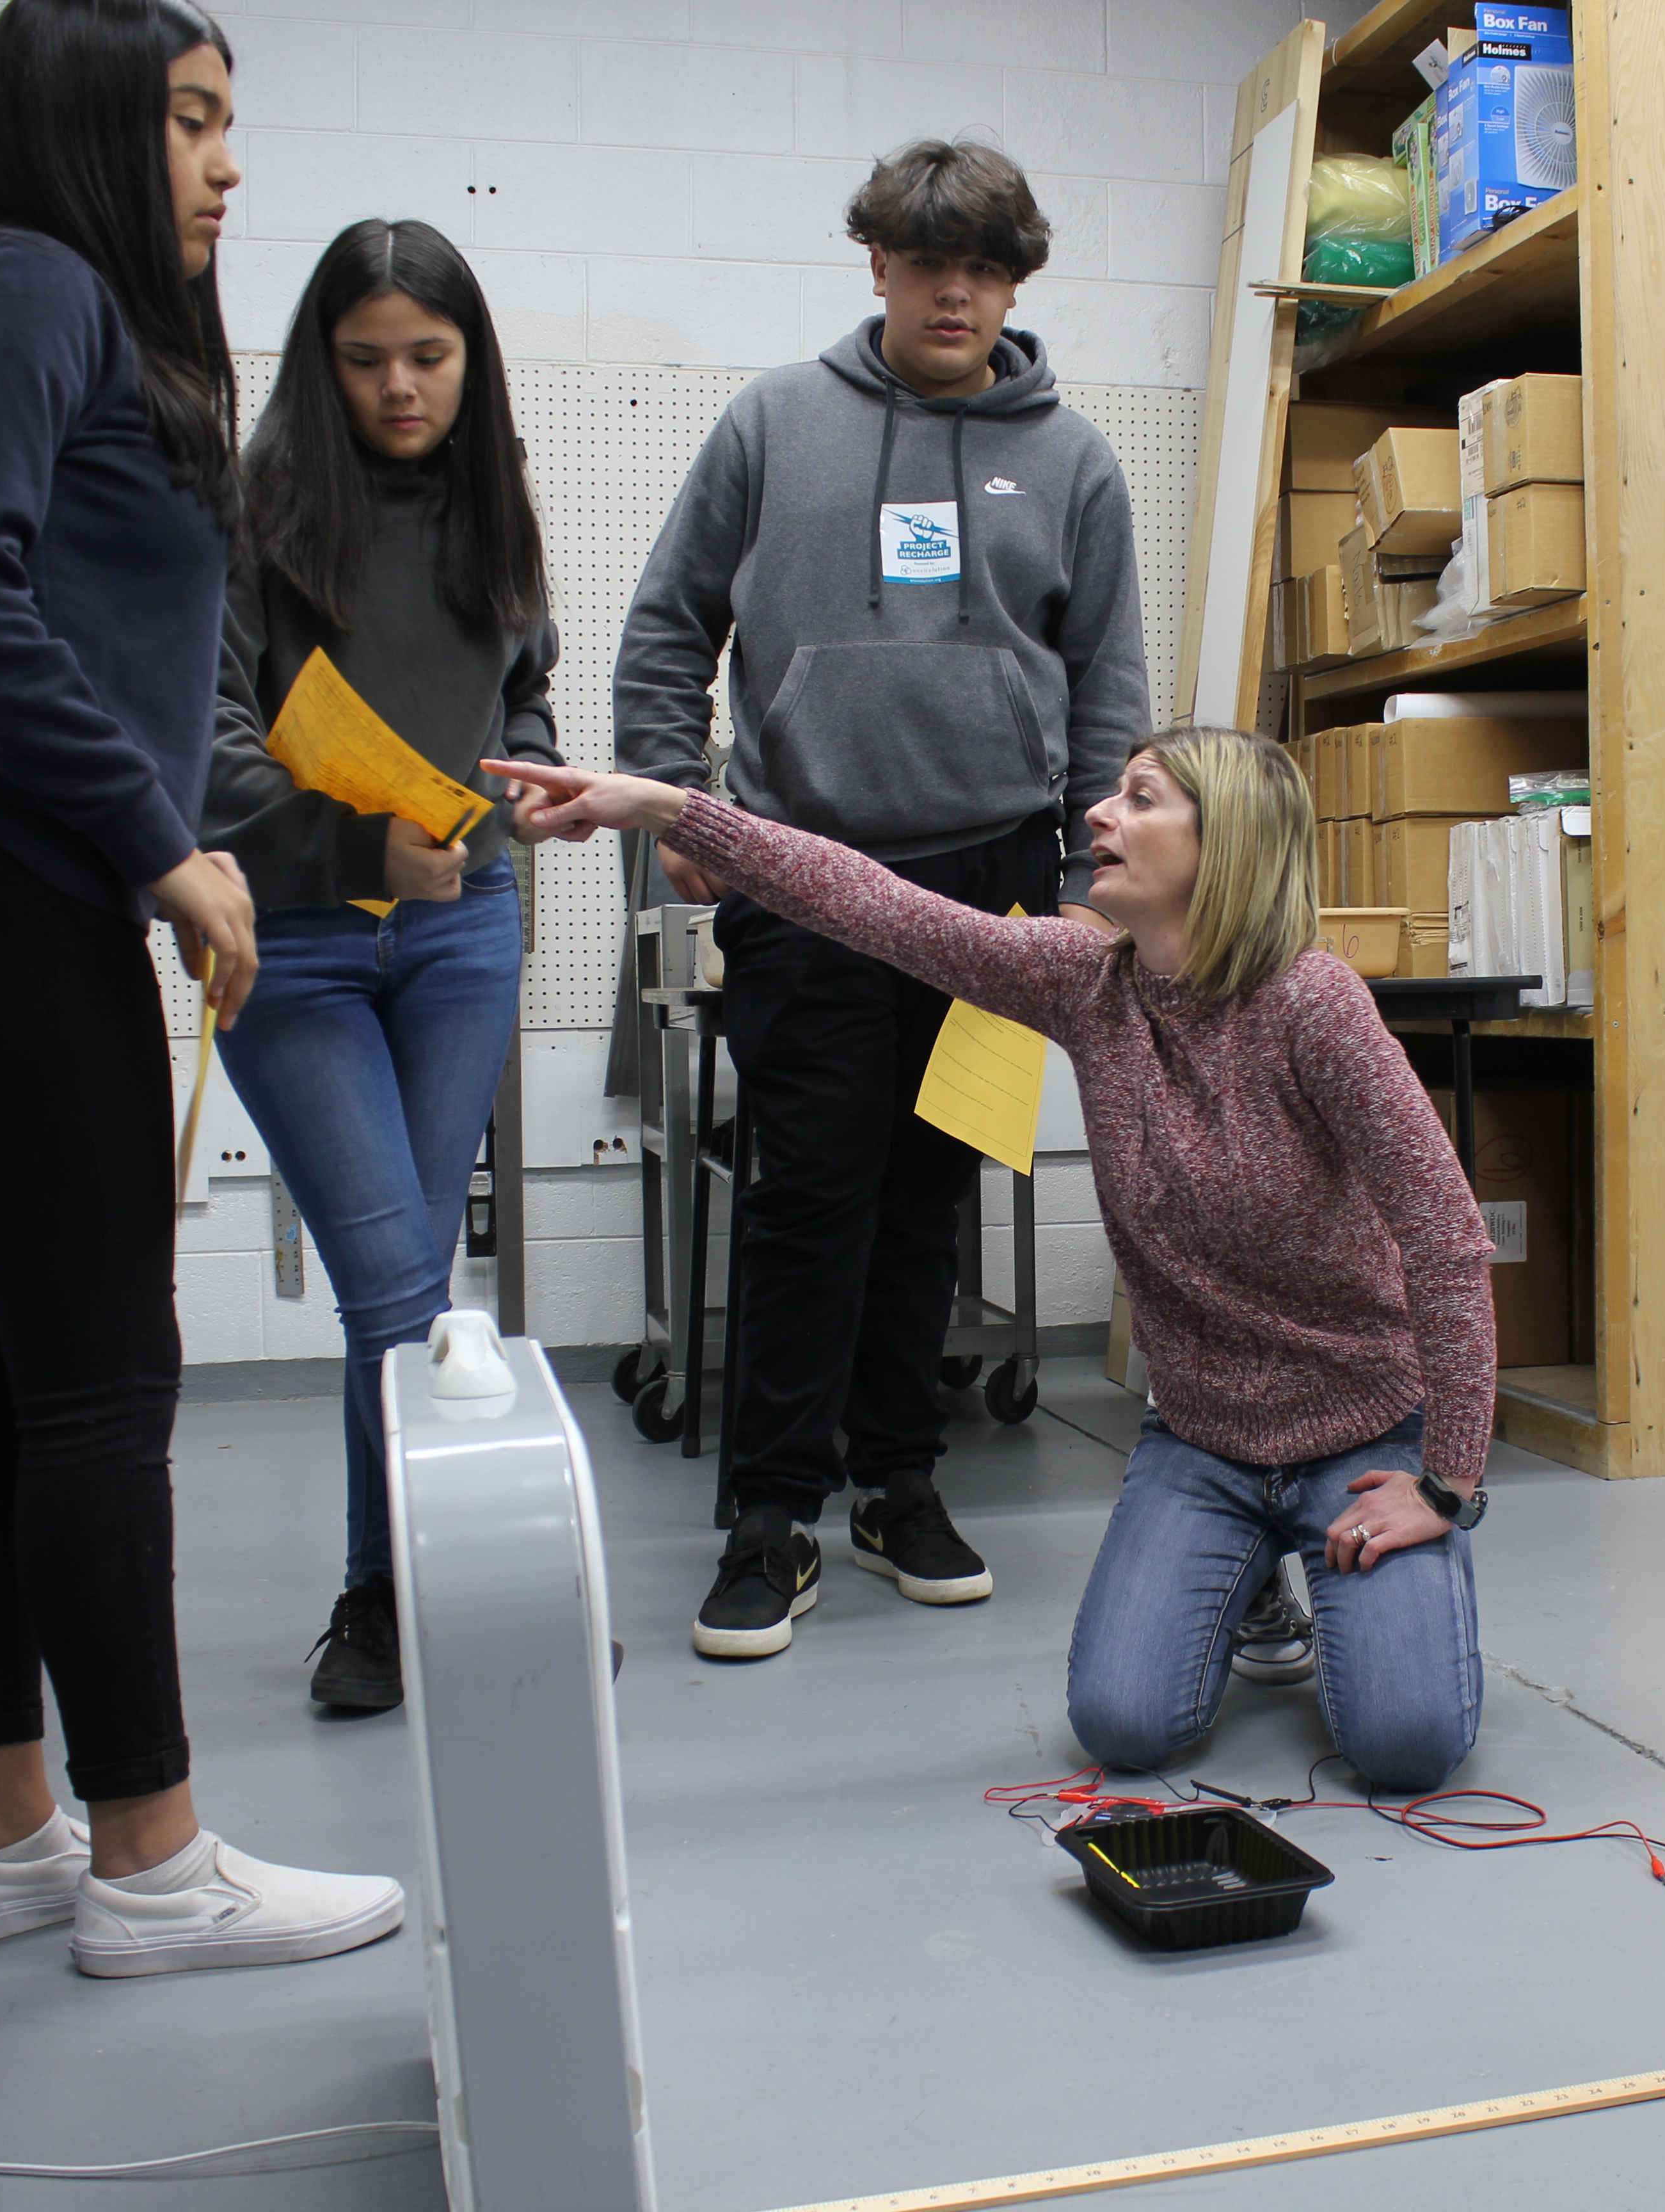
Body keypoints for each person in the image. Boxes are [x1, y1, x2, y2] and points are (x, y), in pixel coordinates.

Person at [0, 0, 401, 1975]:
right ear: (84, 123)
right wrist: (162, 846)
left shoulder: (23, 293)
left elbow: (30, 597)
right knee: (98, 1392)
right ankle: (153, 1860)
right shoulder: (34, 283)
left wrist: (150, 839)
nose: (229, 165)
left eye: (234, 123)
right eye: (195, 123)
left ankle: (2, 1836)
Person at [492, 730, 1496, 1790]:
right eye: (1111, 795)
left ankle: (1388, 1575)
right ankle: (1251, 1573)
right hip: (1203, 1443)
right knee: (1121, 1725)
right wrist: (666, 812)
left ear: (1230, 843)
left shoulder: (1316, 1005)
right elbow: (870, 903)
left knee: (1404, 1746)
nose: (1099, 817)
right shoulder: (1087, 986)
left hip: (1363, 1432)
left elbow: (1445, 1239)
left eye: (1140, 799)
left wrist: (1451, 1482)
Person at [612, 138, 1151, 1660]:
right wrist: (678, 796)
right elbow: (667, 623)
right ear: (878, 267)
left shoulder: (1076, 461)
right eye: (929, 265)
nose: (958, 292)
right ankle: (771, 1517)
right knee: (811, 1195)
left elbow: (1109, 687)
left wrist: (1083, 889)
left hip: (991, 889)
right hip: (810, 873)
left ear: (1018, 280)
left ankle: (898, 1482)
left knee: (932, 1199)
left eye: (986, 268)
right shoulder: (777, 425)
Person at [201, 218, 561, 1713]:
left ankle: (390, 1594)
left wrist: (534, 780)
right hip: (292, 946)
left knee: (409, 1287)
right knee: (397, 1286)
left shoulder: (498, 508)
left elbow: (526, 693)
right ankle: (427, 1592)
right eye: (366, 361)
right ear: (318, 363)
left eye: (431, 356)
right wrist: (356, 857)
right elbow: (200, 755)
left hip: (466, 929)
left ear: (471, 357)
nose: (402, 387)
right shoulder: (248, 516)